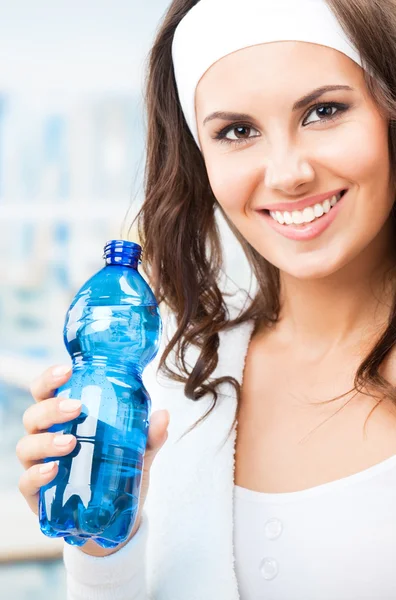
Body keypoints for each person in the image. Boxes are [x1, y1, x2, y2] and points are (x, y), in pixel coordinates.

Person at [15, 0, 396, 597]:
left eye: (324, 111)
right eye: (237, 132)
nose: (287, 172)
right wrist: (102, 547)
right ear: (202, 160)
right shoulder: (180, 382)